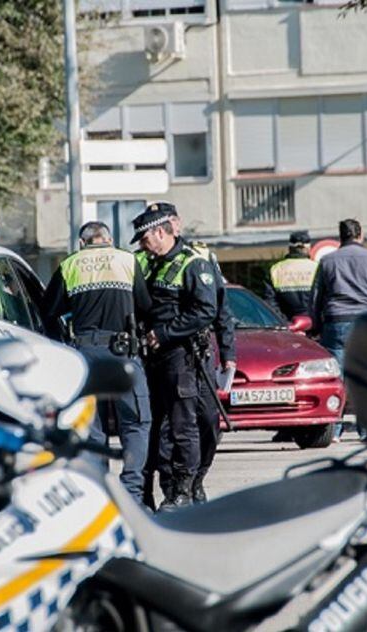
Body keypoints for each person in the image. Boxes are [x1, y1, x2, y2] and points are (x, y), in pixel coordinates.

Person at [41, 221, 153, 506]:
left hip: (85, 353)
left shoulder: (70, 265)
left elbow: (49, 310)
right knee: (136, 423)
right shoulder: (126, 260)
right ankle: (132, 494)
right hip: (123, 351)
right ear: (109, 239)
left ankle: (101, 496)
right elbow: (144, 305)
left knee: (92, 426)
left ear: (82, 243)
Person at [132, 202, 217, 511]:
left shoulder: (193, 263)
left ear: (159, 232)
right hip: (151, 358)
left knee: (184, 426)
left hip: (180, 356)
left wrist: (164, 333)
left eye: (144, 239)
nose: (142, 246)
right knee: (155, 427)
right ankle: (161, 489)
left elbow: (206, 311)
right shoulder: (146, 262)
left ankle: (184, 489)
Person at [166, 212, 236, 504]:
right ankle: (178, 486)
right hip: (170, 356)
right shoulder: (146, 260)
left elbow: (221, 309)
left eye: (171, 220)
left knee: (208, 419)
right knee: (176, 426)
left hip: (200, 354)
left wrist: (228, 353)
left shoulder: (201, 258)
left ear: (176, 223)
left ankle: (198, 478)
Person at [310, 219, 367, 372]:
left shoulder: (327, 261)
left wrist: (316, 326)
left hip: (336, 322)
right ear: (361, 235)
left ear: (341, 237)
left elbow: (316, 297)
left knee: (338, 372)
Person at [262, 230, 318, 321]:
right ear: (308, 248)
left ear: (289, 248)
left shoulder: (275, 269)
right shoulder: (317, 268)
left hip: (288, 327)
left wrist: (285, 322)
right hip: (315, 326)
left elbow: (270, 303)